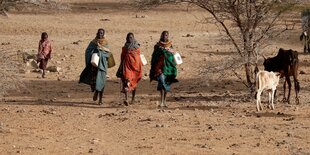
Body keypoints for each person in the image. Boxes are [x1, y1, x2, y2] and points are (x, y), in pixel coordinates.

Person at [79, 28, 111, 105]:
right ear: (97, 34)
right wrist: (93, 55)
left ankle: (100, 99)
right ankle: (96, 92)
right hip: (95, 65)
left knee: (102, 81)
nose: (100, 34)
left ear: (103, 34)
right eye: (99, 33)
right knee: (95, 81)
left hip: (103, 65)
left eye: (101, 33)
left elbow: (108, 54)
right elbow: (88, 51)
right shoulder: (93, 42)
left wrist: (101, 54)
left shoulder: (106, 43)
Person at [149, 31, 178, 108]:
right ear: (161, 36)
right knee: (162, 83)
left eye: (166, 35)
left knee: (166, 84)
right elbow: (154, 57)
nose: (165, 36)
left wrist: (169, 52)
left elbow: (172, 56)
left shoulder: (170, 45)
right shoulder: (157, 46)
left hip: (168, 68)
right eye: (163, 35)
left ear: (167, 36)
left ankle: (164, 101)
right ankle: (161, 102)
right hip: (159, 68)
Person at [116, 32, 142, 106]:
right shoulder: (125, 48)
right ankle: (126, 99)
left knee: (134, 83)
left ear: (133, 38)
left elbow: (138, 58)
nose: (129, 39)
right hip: (126, 67)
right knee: (126, 81)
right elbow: (122, 58)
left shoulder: (136, 47)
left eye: (131, 37)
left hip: (135, 68)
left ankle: (133, 98)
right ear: (126, 38)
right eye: (128, 37)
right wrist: (121, 67)